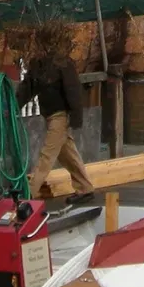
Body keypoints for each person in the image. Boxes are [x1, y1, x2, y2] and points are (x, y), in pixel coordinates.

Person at [18, 32, 96, 203]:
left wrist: (76, 117)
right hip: (50, 115)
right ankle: (85, 187)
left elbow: (73, 91)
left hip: (60, 116)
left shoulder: (63, 63)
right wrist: (14, 106)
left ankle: (28, 192)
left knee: (47, 154)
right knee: (67, 154)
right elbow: (27, 89)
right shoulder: (37, 65)